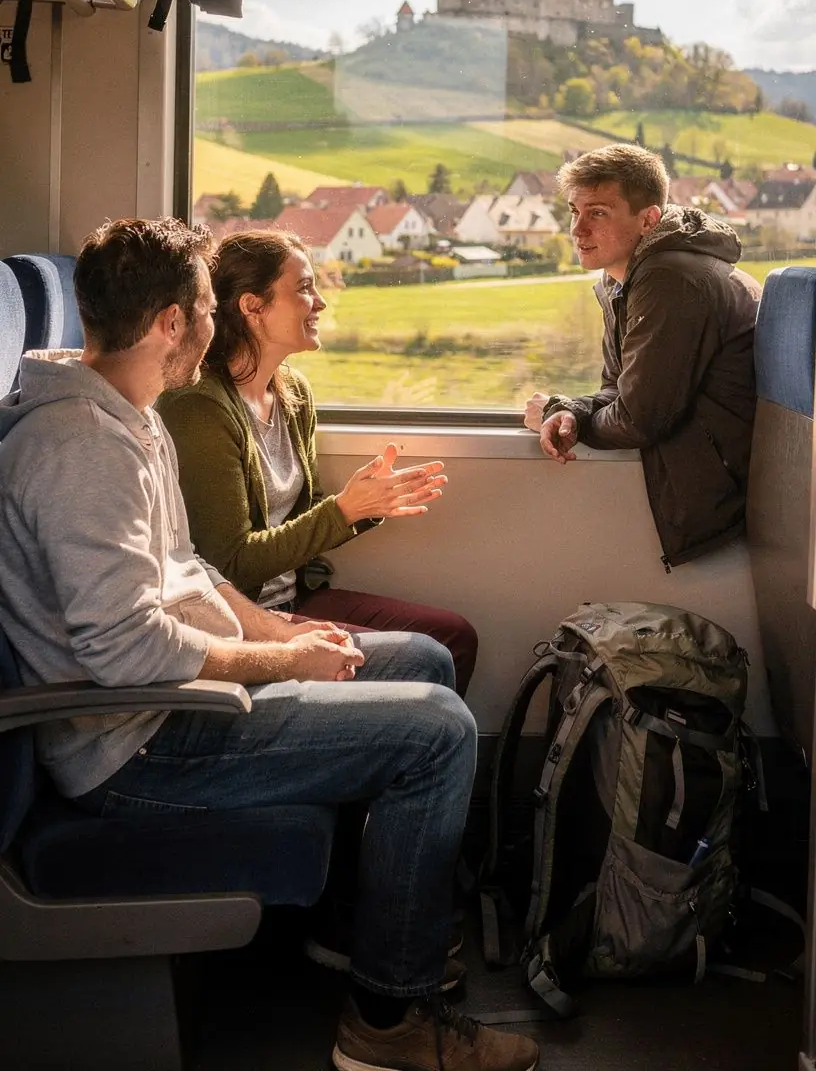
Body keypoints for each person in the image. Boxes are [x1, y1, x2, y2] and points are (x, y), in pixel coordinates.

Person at [0, 217, 537, 1071]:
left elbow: (193, 569)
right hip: (135, 744)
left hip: (172, 702)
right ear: (173, 321)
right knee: (437, 732)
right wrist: (285, 664)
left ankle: (374, 927)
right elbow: (127, 652)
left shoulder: (127, 417)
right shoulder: (80, 448)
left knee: (426, 660)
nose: (215, 328)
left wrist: (282, 627)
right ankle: (388, 1021)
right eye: (209, 308)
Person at [157, 229, 478, 697]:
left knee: (454, 637)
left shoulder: (293, 393)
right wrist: (344, 511)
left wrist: (370, 503)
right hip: (244, 614)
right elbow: (232, 563)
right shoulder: (200, 407)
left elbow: (303, 524)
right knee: (427, 656)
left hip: (295, 594)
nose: (321, 302)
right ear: (253, 306)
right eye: (304, 288)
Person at [524, 146, 761, 569]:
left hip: (729, 494)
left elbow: (639, 417)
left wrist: (567, 419)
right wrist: (572, 411)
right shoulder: (622, 280)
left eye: (597, 213)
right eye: (573, 211)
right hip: (710, 478)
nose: (577, 230)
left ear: (648, 219)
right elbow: (619, 386)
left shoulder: (670, 279)